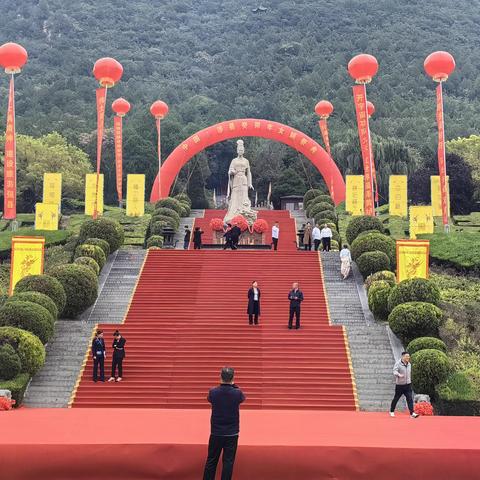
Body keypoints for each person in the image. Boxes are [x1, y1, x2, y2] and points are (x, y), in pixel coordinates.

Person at [203, 367, 246, 480]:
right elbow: (243, 398)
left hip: (216, 432)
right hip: (232, 433)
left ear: (220, 377)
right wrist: (233, 385)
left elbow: (209, 398)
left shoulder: (213, 392)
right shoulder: (237, 393)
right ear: (233, 378)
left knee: (211, 460)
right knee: (228, 462)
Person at [390, 352, 419, 418]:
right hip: (400, 385)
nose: (408, 358)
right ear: (402, 357)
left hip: (408, 385)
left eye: (408, 356)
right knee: (396, 398)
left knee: (409, 399)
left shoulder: (409, 364)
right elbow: (394, 371)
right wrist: (399, 375)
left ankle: (412, 413)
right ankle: (392, 411)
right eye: (406, 356)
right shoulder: (398, 363)